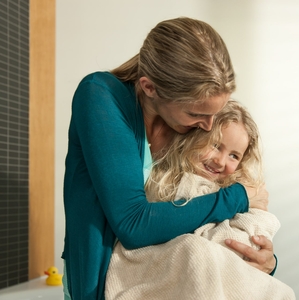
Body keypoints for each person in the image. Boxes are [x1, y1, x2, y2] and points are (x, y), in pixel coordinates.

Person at [62, 17, 276, 300]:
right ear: (150, 88)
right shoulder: (100, 97)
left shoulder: (189, 129)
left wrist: (262, 260)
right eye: (197, 113)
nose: (209, 126)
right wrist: (238, 197)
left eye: (215, 113)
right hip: (103, 286)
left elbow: (205, 219)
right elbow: (134, 224)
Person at [105, 100, 295, 300]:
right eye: (215, 145)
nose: (220, 161)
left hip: (217, 275)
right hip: (160, 274)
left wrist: (268, 261)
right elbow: (153, 234)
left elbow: (248, 239)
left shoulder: (243, 192)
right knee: (196, 250)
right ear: (194, 137)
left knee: (282, 292)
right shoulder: (163, 181)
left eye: (233, 155)